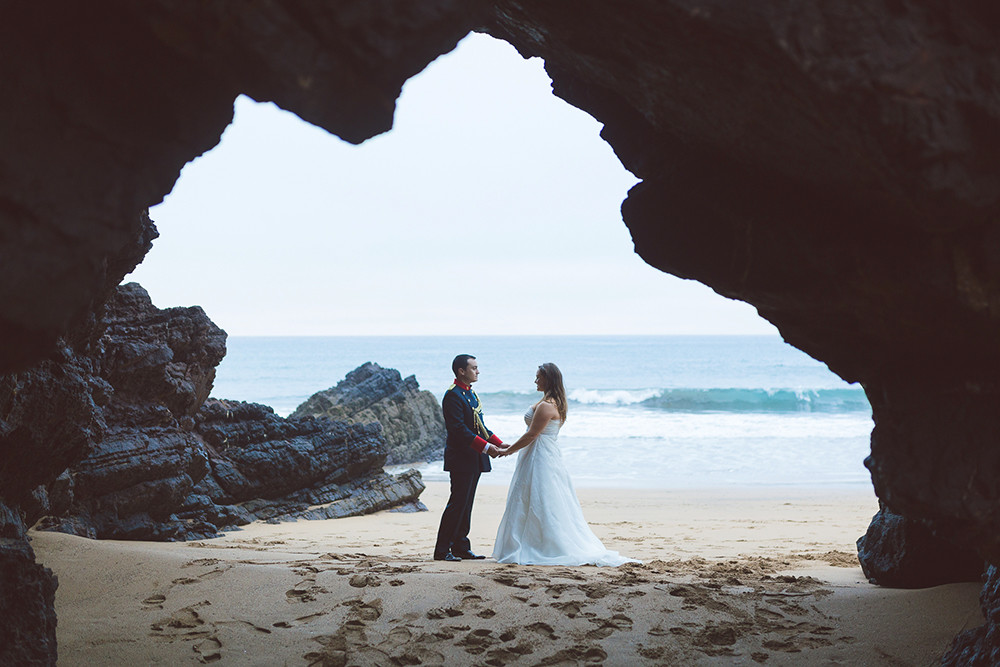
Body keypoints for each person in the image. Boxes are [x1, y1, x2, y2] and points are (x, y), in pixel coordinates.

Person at [493, 362, 639, 566]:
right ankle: (531, 541)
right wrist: (513, 446)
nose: (535, 380)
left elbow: (532, 434)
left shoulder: (546, 406)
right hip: (540, 453)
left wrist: (508, 451)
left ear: (548, 379)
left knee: (539, 499)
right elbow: (532, 434)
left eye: (538, 377)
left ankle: (539, 545)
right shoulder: (551, 403)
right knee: (535, 498)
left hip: (540, 457)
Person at [433, 354, 507, 561]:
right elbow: (458, 430)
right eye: (474, 368)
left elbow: (479, 426)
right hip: (461, 458)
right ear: (461, 371)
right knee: (457, 503)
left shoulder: (470, 394)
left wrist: (499, 443)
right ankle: (442, 550)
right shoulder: (453, 395)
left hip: (474, 457)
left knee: (467, 504)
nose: (478, 371)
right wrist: (487, 448)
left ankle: (460, 546)